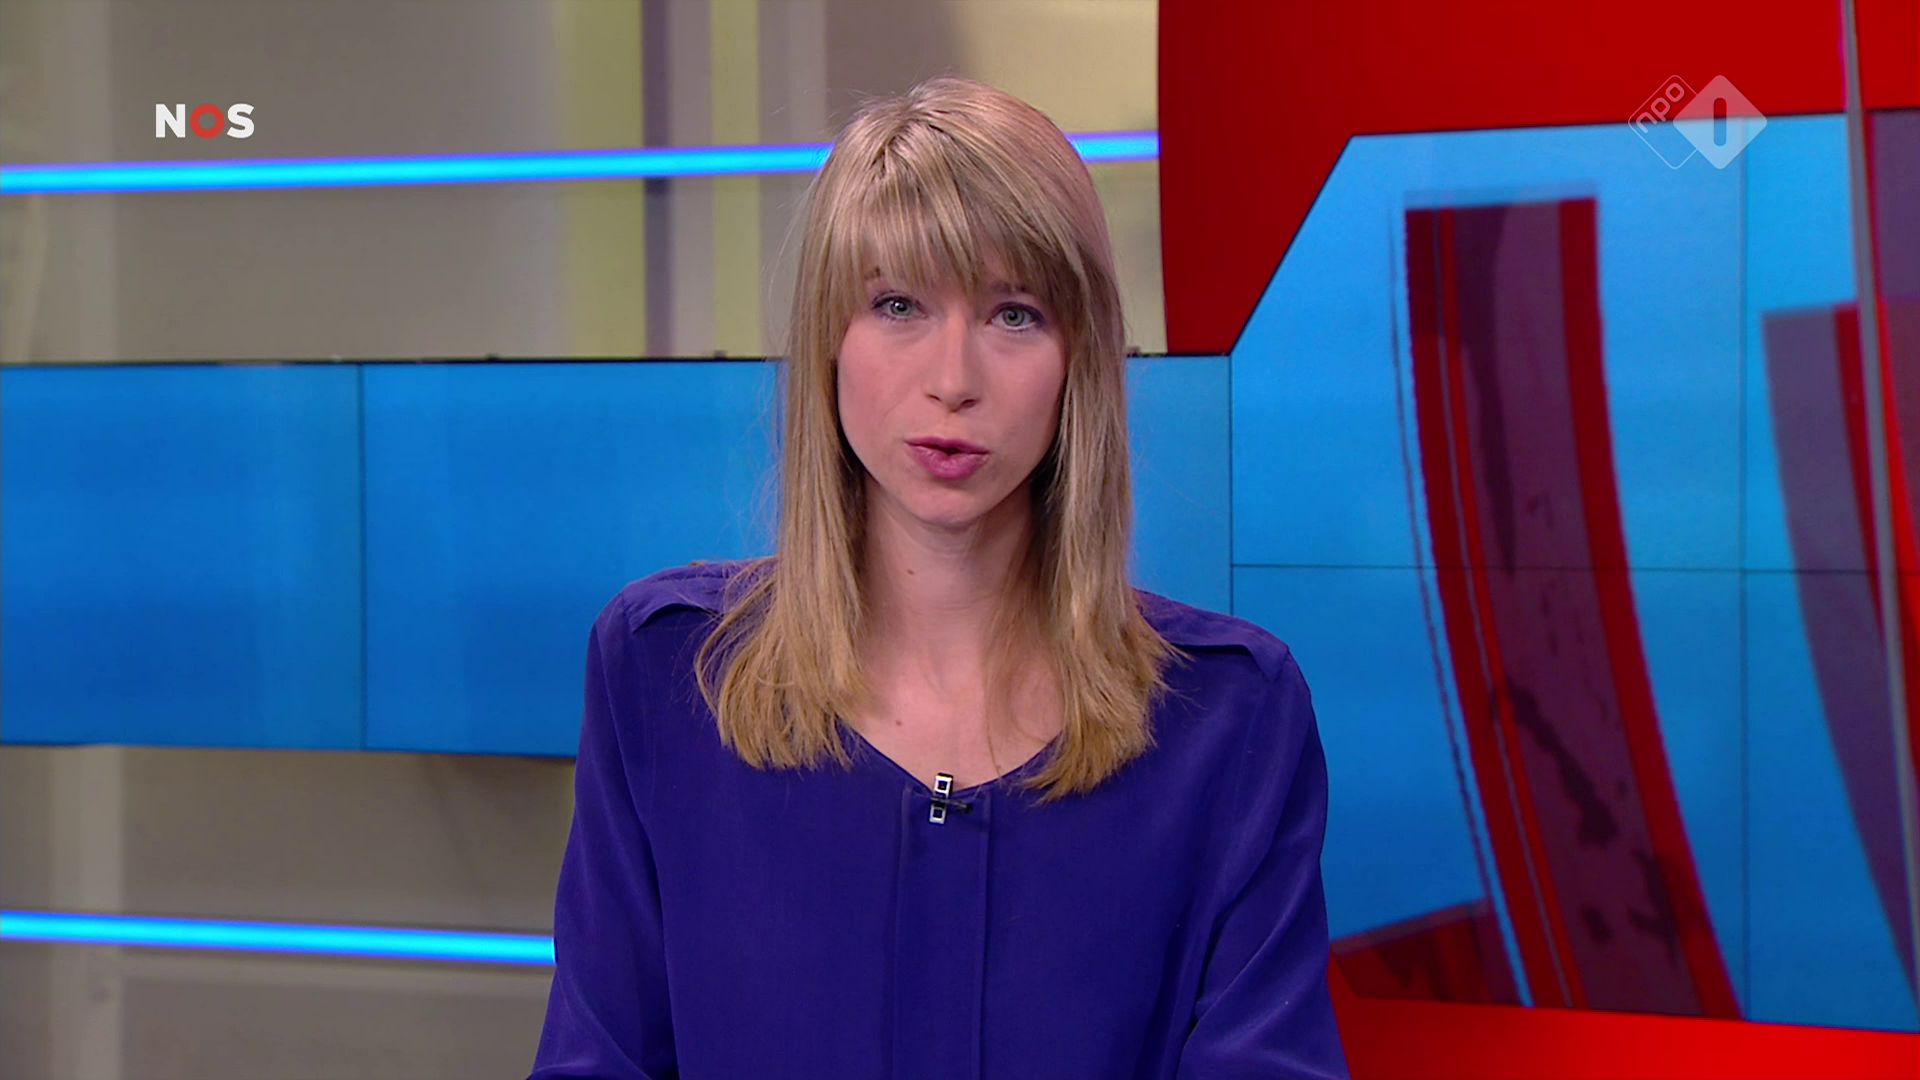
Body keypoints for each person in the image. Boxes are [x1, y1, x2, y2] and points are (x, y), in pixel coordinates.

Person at [526, 74, 1349, 1080]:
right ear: (829, 342)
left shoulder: (1231, 718)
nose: (953, 380)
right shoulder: (664, 674)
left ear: (1080, 361)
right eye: (898, 304)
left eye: (1015, 315)